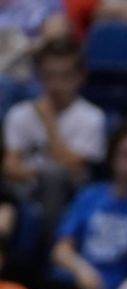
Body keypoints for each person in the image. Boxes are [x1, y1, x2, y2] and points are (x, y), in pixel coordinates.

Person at [48, 123, 127, 289]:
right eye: (125, 154)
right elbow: (60, 250)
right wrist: (83, 270)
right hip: (79, 283)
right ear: (112, 156)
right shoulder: (90, 195)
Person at [1, 36, 105, 219]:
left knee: (53, 176)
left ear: (80, 76)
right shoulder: (19, 113)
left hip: (68, 193)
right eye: (49, 76)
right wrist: (34, 174)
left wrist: (49, 122)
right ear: (39, 76)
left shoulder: (92, 117)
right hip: (22, 189)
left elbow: (72, 168)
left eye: (65, 76)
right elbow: (9, 166)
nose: (56, 84)